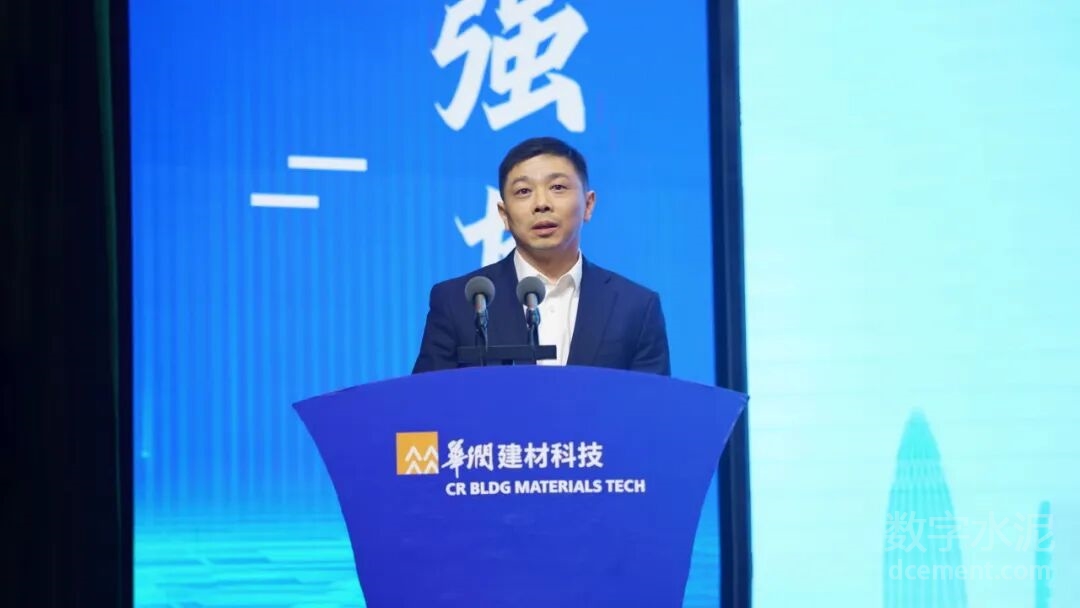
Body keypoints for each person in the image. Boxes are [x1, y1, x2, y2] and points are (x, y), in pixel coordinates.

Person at [412, 136, 670, 376]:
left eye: (557, 187)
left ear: (588, 204)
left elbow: (652, 404)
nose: (541, 204)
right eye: (524, 191)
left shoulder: (635, 307)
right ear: (504, 214)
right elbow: (424, 400)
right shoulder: (458, 302)